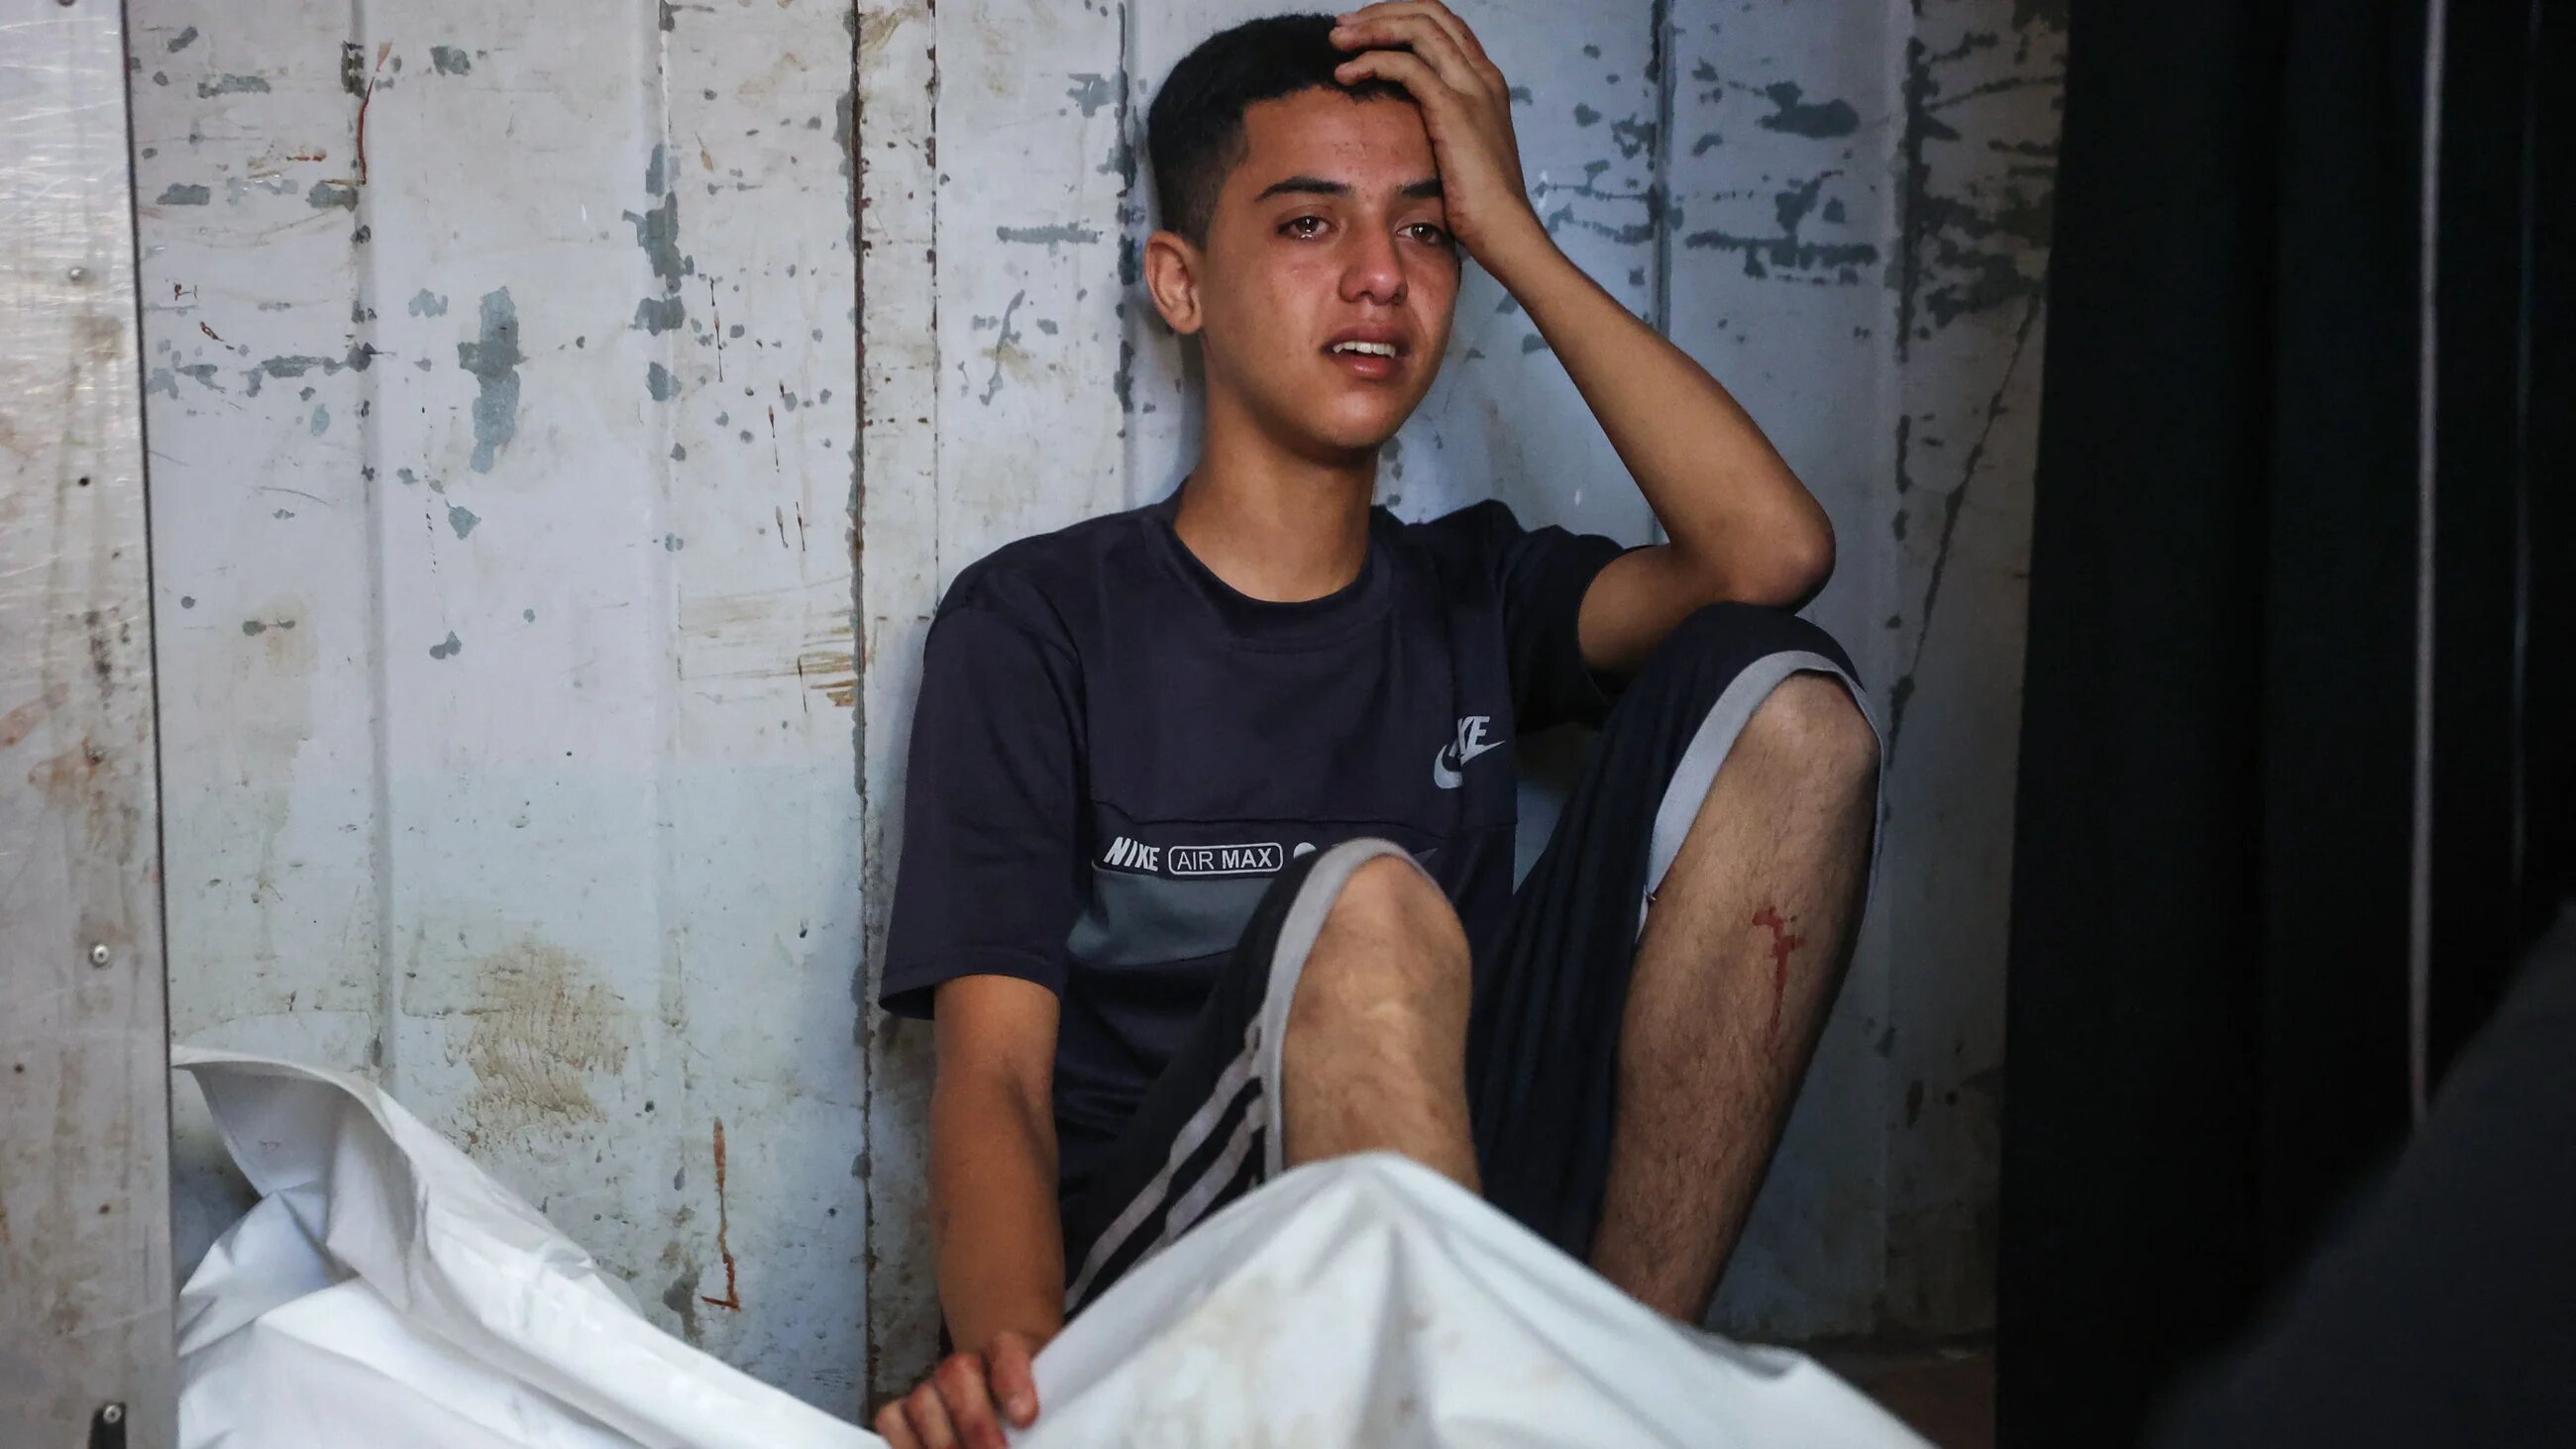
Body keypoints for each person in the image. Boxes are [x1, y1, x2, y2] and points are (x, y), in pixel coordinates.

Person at [871, 7, 1881, 1445]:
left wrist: (1514, 230)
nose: (1377, 279)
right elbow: (996, 1081)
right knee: (1372, 909)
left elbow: (1766, 555)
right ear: (1182, 283)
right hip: (1185, 1272)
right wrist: (1031, 1390)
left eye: (1425, 232)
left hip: (1456, 1212)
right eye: (1305, 224)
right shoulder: (1037, 621)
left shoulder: (1477, 590)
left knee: (1797, 714)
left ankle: (1599, 1402)